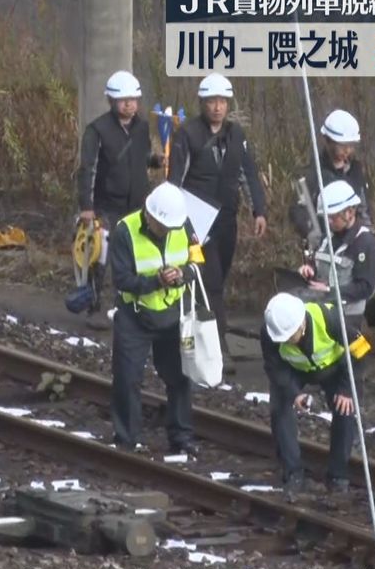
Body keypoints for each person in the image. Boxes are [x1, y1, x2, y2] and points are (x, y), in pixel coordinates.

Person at [167, 73, 267, 374]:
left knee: (218, 279)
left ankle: (193, 325)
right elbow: (175, 180)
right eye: (212, 101)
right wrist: (177, 222)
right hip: (197, 221)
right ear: (202, 103)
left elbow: (248, 174)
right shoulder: (188, 134)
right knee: (211, 283)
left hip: (226, 219)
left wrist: (258, 210)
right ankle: (218, 347)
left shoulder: (237, 135)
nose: (217, 107)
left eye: (222, 101)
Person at [109, 182, 205, 454]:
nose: (166, 232)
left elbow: (197, 261)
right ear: (149, 215)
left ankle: (181, 437)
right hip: (134, 316)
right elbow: (121, 279)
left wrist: (182, 275)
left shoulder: (183, 225)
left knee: (180, 378)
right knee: (127, 378)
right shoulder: (124, 231)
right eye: (162, 226)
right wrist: (156, 281)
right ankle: (126, 439)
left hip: (172, 316)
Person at [261, 293, 371, 499]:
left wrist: (347, 389)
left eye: (290, 337)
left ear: (302, 324)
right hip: (293, 370)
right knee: (279, 408)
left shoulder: (329, 319)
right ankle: (292, 472)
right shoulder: (271, 332)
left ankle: (337, 475)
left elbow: (361, 350)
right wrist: (293, 393)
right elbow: (274, 367)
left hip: (335, 368)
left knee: (345, 410)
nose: (287, 342)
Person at [77, 70, 161, 327]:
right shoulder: (97, 130)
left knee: (133, 257)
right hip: (106, 205)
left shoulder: (142, 127)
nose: (129, 105)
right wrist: (87, 206)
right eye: (123, 100)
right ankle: (95, 307)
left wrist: (156, 161)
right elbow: (88, 169)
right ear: (112, 101)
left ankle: (123, 305)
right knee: (100, 258)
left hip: (137, 205)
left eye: (133, 99)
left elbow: (143, 158)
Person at [296, 180, 375, 329]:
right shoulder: (327, 238)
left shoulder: (365, 242)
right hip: (319, 312)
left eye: (332, 217)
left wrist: (331, 291)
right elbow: (321, 266)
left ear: (349, 212)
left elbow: (365, 287)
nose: (328, 222)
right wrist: (310, 270)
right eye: (326, 217)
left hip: (347, 319)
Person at [291, 110, 373, 252]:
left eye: (350, 145)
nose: (347, 150)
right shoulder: (312, 174)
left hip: (354, 243)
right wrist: (312, 234)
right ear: (328, 141)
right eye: (342, 145)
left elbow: (363, 208)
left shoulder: (355, 171)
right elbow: (299, 211)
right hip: (325, 245)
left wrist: (370, 235)